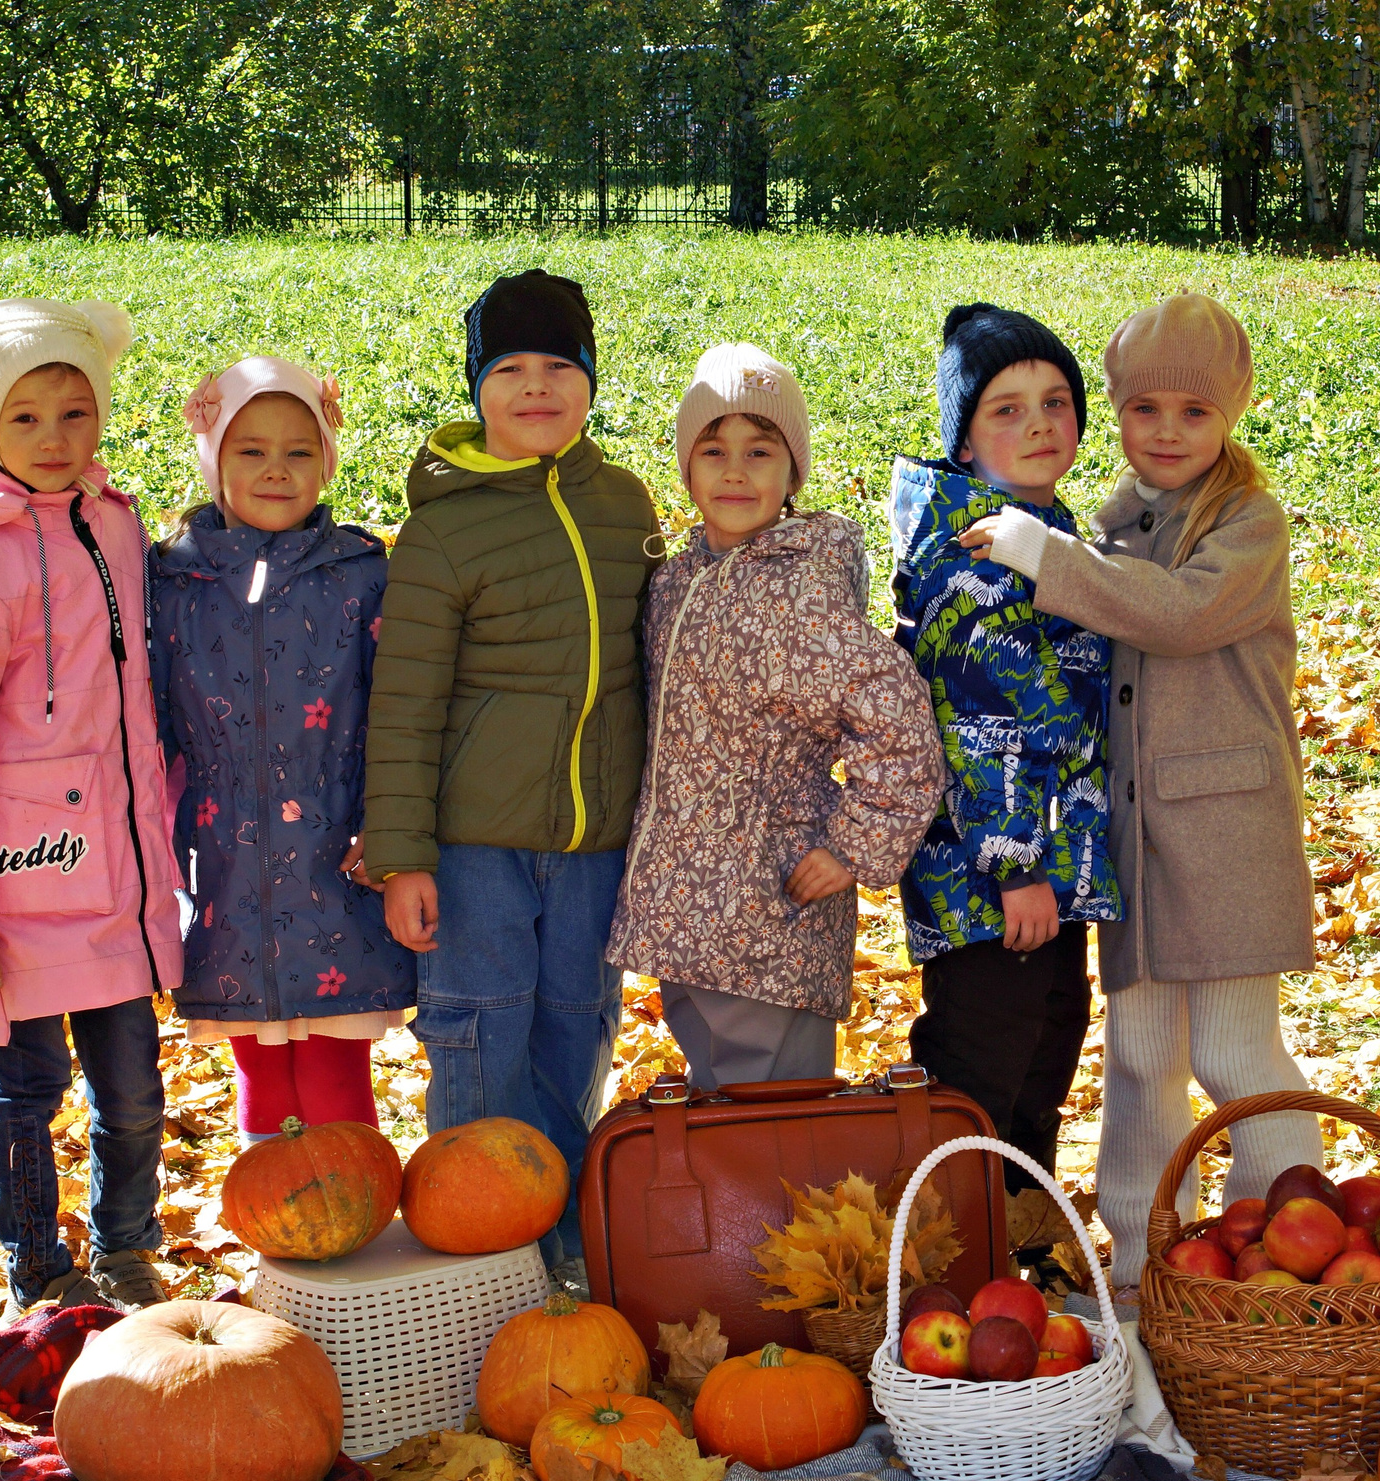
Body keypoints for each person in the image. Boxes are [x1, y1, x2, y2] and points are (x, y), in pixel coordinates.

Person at [958, 291, 1320, 1290]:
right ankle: (1142, 1254)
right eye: (1143, 409)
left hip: (1226, 835)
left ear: (1231, 413)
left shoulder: (1246, 526)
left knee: (1239, 1055)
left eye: (1192, 412)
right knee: (1142, 1055)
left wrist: (1050, 558)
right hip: (1133, 841)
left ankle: (1284, 1241)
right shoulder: (1117, 521)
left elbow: (1177, 613)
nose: (1165, 432)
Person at [363, 269, 660, 1280]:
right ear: (477, 387)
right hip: (474, 844)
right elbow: (403, 705)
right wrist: (404, 857)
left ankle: (565, 1246)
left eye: (559, 367)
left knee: (576, 1035)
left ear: (588, 380)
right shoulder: (446, 527)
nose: (537, 388)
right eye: (511, 369)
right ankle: (478, 1254)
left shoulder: (624, 506)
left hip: (594, 844)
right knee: (481, 1036)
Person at [0, 298, 185, 1316]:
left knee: (134, 1095)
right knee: (27, 1093)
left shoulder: (115, 521)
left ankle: (126, 1249)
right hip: (14, 882)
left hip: (113, 871)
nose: (56, 440)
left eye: (76, 413)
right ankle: (38, 1271)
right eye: (26, 419)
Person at [606, 344, 943, 1090]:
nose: (735, 470)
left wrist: (851, 845)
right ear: (685, 468)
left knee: (770, 1116)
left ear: (793, 472)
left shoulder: (800, 594)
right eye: (714, 449)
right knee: (719, 1101)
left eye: (761, 451)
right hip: (692, 914)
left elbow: (901, 729)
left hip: (772, 908)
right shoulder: (677, 582)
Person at [151, 357, 415, 1149]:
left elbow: (401, 713)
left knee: (335, 1064)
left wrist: (393, 829)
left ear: (327, 460)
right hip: (226, 861)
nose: (275, 469)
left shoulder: (361, 573)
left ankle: (351, 1217)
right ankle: (286, 1229)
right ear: (213, 460)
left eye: (299, 451)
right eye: (250, 450)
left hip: (338, 857)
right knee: (259, 1066)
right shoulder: (172, 578)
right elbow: (146, 721)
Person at [890, 303, 1121, 1194]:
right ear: (964, 440)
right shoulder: (980, 562)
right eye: (1006, 409)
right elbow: (977, 726)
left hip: (1047, 867)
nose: (1037, 424)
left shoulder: (1046, 536)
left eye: (1055, 401)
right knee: (981, 1068)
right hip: (989, 877)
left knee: (1046, 1050)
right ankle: (946, 1250)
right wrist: (1016, 862)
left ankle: (1019, 1237)